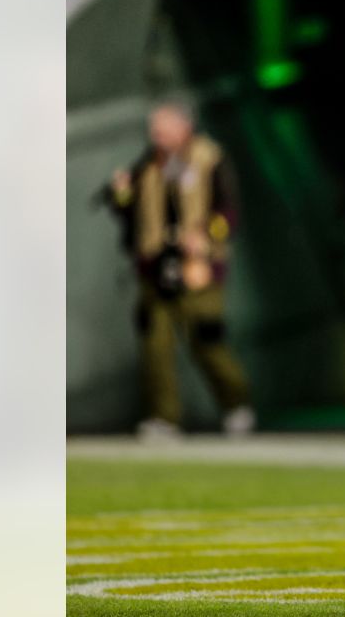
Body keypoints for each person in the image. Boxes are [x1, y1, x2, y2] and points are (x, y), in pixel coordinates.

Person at [107, 101, 252, 440]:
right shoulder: (148, 164)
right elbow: (130, 214)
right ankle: (164, 417)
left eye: (162, 128)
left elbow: (228, 212)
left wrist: (204, 236)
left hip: (198, 268)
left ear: (183, 127)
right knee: (155, 344)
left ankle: (236, 404)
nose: (155, 135)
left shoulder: (209, 159)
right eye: (154, 129)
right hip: (156, 268)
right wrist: (122, 195)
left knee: (207, 341)